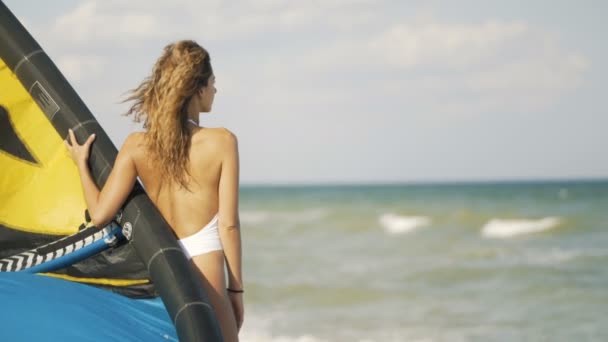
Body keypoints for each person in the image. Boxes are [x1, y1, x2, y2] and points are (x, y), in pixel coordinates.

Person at [65, 40, 243, 341]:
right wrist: (236, 291)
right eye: (213, 83)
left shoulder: (137, 145)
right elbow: (228, 225)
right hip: (207, 269)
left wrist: (82, 164)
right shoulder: (222, 141)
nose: (215, 90)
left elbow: (99, 215)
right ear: (198, 89)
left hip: (163, 275)